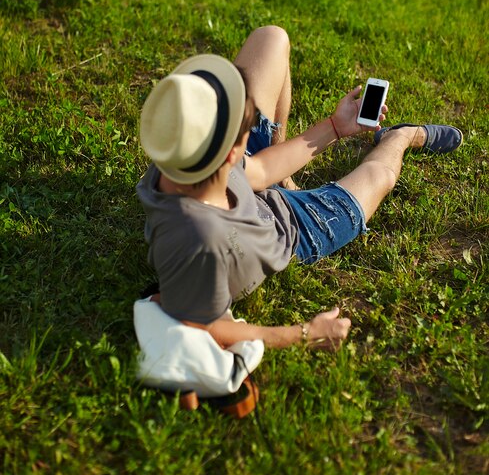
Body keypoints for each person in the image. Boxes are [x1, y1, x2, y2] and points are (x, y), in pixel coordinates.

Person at [137, 25, 462, 352]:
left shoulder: (180, 155)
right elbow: (208, 329)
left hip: (241, 192)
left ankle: (287, 168)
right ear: (233, 150)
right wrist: (307, 333)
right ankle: (401, 136)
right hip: (288, 229)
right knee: (379, 177)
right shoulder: (199, 241)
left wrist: (335, 126)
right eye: (246, 129)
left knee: (272, 38)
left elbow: (260, 169)